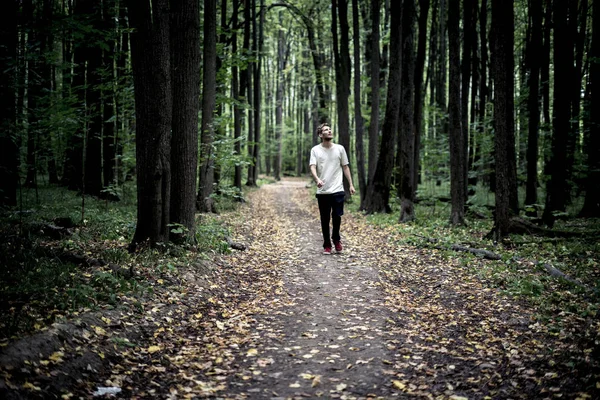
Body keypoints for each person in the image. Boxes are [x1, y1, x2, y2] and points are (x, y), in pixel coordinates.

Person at [309, 123, 356, 255]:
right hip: (323, 191)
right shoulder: (315, 150)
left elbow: (345, 167)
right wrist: (317, 179)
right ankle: (327, 245)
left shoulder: (340, 149)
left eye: (330, 129)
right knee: (325, 219)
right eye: (325, 130)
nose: (329, 131)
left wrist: (351, 184)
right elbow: (312, 166)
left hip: (338, 189)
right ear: (320, 135)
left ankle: (336, 239)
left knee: (337, 216)